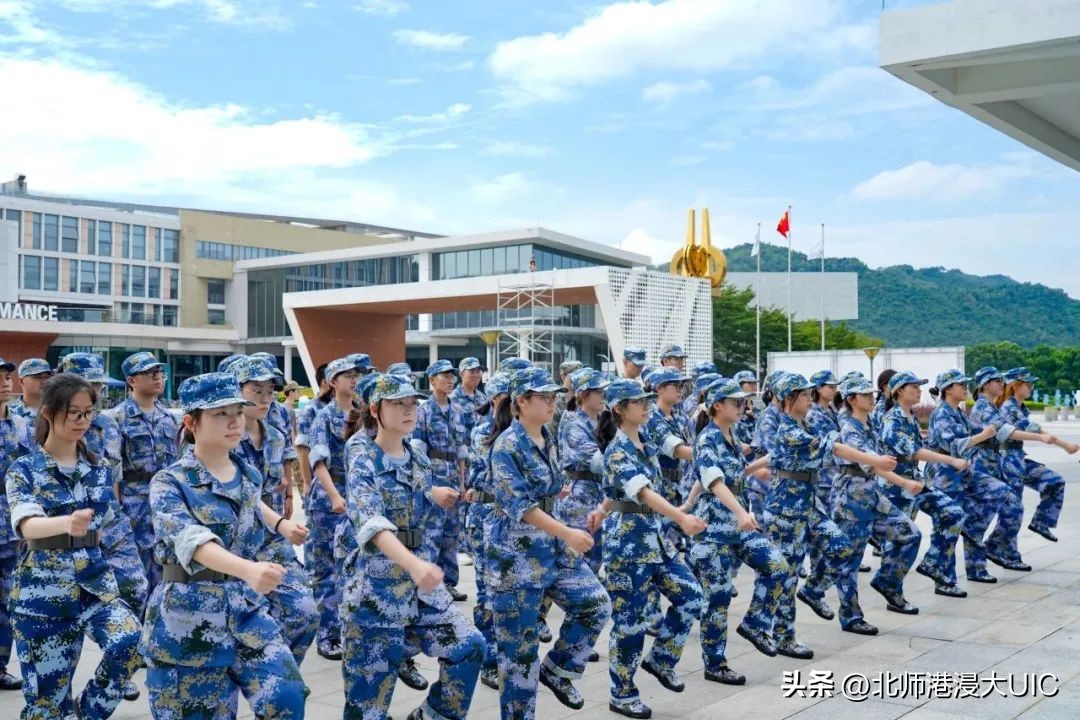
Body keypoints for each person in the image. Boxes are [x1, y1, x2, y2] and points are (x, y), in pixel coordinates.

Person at [141, 372, 306, 719]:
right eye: (220, 414)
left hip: (245, 613)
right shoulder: (170, 482)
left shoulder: (249, 477)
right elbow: (191, 539)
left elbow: (255, 538)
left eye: (237, 411)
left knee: (288, 697)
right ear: (191, 422)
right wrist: (248, 570)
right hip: (188, 621)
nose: (234, 422)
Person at [340, 373, 485, 720]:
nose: (408, 410)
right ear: (376, 410)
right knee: (368, 704)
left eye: (411, 404)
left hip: (418, 586)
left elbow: (412, 495)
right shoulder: (362, 453)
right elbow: (372, 522)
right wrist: (416, 565)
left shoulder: (417, 456)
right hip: (376, 585)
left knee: (469, 646)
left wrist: (434, 494)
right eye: (397, 404)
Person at [6, 373, 142, 719]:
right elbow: (26, 524)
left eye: (88, 413)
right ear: (49, 413)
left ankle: (86, 714)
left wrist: (134, 580)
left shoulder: (98, 469)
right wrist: (65, 524)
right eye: (74, 413)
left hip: (95, 585)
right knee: (47, 705)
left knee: (129, 640)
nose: (83, 421)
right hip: (42, 594)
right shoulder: (24, 469)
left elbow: (117, 527)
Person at [488, 367, 611, 720]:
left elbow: (548, 488)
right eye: (543, 397)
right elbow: (520, 507)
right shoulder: (507, 445)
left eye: (553, 396)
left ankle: (558, 669)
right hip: (517, 557)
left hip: (551, 549)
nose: (552, 402)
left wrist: (558, 495)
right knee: (519, 655)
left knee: (595, 603)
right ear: (521, 403)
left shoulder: (548, 437)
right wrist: (567, 532)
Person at [764, 373, 895, 660]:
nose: (808, 399)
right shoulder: (788, 429)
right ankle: (784, 636)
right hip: (786, 507)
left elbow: (772, 457)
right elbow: (833, 447)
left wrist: (747, 469)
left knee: (841, 547)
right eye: (802, 395)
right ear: (788, 399)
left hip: (809, 503)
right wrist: (874, 460)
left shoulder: (806, 423)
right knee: (787, 573)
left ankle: (813, 590)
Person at [595, 377, 704, 719]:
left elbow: (672, 462)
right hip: (628, 545)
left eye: (646, 400)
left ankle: (661, 658)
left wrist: (685, 505)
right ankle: (623, 693)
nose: (646, 406)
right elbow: (641, 492)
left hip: (655, 539)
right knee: (630, 622)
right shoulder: (616, 451)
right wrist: (680, 518)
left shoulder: (645, 441)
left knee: (691, 596)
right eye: (637, 402)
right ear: (618, 409)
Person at [58, 352, 148, 703]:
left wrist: (118, 514)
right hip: (67, 530)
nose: (95, 392)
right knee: (68, 619)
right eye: (88, 385)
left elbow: (115, 477)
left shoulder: (109, 425)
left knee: (136, 590)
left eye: (97, 386)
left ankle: (119, 669)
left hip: (112, 523)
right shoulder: (47, 423)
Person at [686, 378, 785, 684]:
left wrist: (687, 502)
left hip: (737, 524)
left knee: (777, 566)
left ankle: (756, 623)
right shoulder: (707, 439)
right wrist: (742, 512)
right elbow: (714, 481)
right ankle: (715, 663)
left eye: (744, 402)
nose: (744, 407)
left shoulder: (732, 434)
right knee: (717, 598)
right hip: (713, 528)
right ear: (718, 405)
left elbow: (709, 478)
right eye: (737, 402)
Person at [228, 357, 318, 666]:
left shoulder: (276, 437)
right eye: (257, 390)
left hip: (270, 540)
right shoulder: (222, 437)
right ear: (237, 390)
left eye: (270, 391)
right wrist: (280, 522)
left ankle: (274, 672)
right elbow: (241, 490)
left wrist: (286, 507)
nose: (266, 398)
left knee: (304, 612)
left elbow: (276, 481)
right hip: (230, 543)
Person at [826, 377, 923, 635]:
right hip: (851, 498)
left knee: (910, 533)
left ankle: (887, 581)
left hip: (871, 494)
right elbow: (871, 462)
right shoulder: (849, 428)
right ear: (851, 400)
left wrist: (903, 482)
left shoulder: (869, 425)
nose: (871, 397)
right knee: (850, 560)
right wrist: (903, 481)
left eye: (872, 393)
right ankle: (850, 616)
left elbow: (879, 463)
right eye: (864, 394)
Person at [877, 371, 967, 614]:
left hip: (915, 481)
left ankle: (933, 563)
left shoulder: (911, 417)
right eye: (913, 386)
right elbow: (914, 451)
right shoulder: (892, 418)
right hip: (897, 486)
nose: (918, 390)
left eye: (919, 386)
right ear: (898, 391)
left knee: (953, 513)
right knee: (899, 540)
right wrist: (950, 459)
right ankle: (892, 589)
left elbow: (919, 447)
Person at [926, 369, 1015, 589]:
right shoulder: (942, 413)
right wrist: (983, 435)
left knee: (1001, 493)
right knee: (947, 527)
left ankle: (975, 563)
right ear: (948, 389)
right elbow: (953, 445)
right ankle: (944, 580)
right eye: (961, 385)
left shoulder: (958, 412)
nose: (966, 388)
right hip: (945, 476)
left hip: (964, 474)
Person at [969, 367, 1061, 571]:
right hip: (989, 465)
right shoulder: (985, 408)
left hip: (999, 462)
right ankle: (986, 558)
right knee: (992, 513)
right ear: (985, 384)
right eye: (996, 381)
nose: (1001, 384)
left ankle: (991, 556)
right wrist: (1043, 438)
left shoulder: (991, 406)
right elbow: (1008, 432)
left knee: (1001, 511)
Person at [308, 355, 366, 660]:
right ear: (333, 382)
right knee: (326, 568)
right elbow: (318, 462)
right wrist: (333, 497)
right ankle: (327, 633)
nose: (353, 380)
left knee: (352, 566)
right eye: (347, 376)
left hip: (356, 496)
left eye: (356, 375)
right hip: (328, 501)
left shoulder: (361, 414)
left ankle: (347, 629)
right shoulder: (323, 417)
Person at [106, 351, 179, 596]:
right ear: (132, 381)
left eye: (160, 373)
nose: (158, 377)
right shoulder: (116, 418)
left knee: (166, 569)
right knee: (134, 576)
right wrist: (116, 511)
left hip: (165, 503)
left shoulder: (169, 418)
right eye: (150, 373)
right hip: (133, 504)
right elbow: (113, 468)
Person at [464, 372, 512, 690]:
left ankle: (506, 656)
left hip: (511, 519)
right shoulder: (485, 430)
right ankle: (489, 660)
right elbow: (492, 476)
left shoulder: (522, 431)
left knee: (508, 591)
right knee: (487, 592)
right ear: (495, 399)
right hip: (486, 515)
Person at [997, 367, 1077, 542]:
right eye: (1028, 384)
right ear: (1015, 386)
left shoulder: (1019, 407)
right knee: (1012, 508)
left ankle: (1041, 521)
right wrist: (1065, 445)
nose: (1031, 387)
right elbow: (1034, 429)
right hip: (1007, 460)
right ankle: (1001, 548)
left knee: (1054, 482)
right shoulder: (1009, 407)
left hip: (1017, 458)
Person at [412, 360, 469, 601]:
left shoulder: (457, 410)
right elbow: (416, 451)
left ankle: (449, 583)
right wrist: (426, 484)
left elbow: (462, 451)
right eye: (443, 376)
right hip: (434, 476)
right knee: (431, 532)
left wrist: (464, 483)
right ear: (432, 380)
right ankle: (429, 585)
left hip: (454, 477)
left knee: (451, 534)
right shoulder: (423, 411)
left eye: (451, 376)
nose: (449, 380)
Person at [555, 367, 609, 575]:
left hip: (597, 495)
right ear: (583, 394)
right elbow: (596, 460)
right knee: (579, 563)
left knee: (595, 559)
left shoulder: (601, 420)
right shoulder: (574, 424)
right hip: (579, 499)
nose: (602, 396)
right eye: (598, 391)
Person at [0, 355, 31, 693]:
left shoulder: (22, 425)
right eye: (0, 376)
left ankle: (0, 666)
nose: (5, 381)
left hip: (13, 525)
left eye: (8, 375)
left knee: (9, 601)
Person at [295, 362, 329, 498]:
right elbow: (303, 449)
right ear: (325, 382)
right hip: (318, 481)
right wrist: (307, 482)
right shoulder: (312, 409)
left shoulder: (346, 408)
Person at [10, 358, 52, 429]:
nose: (44, 381)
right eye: (38, 377)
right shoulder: (11, 413)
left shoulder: (57, 410)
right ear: (21, 381)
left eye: (47, 377)